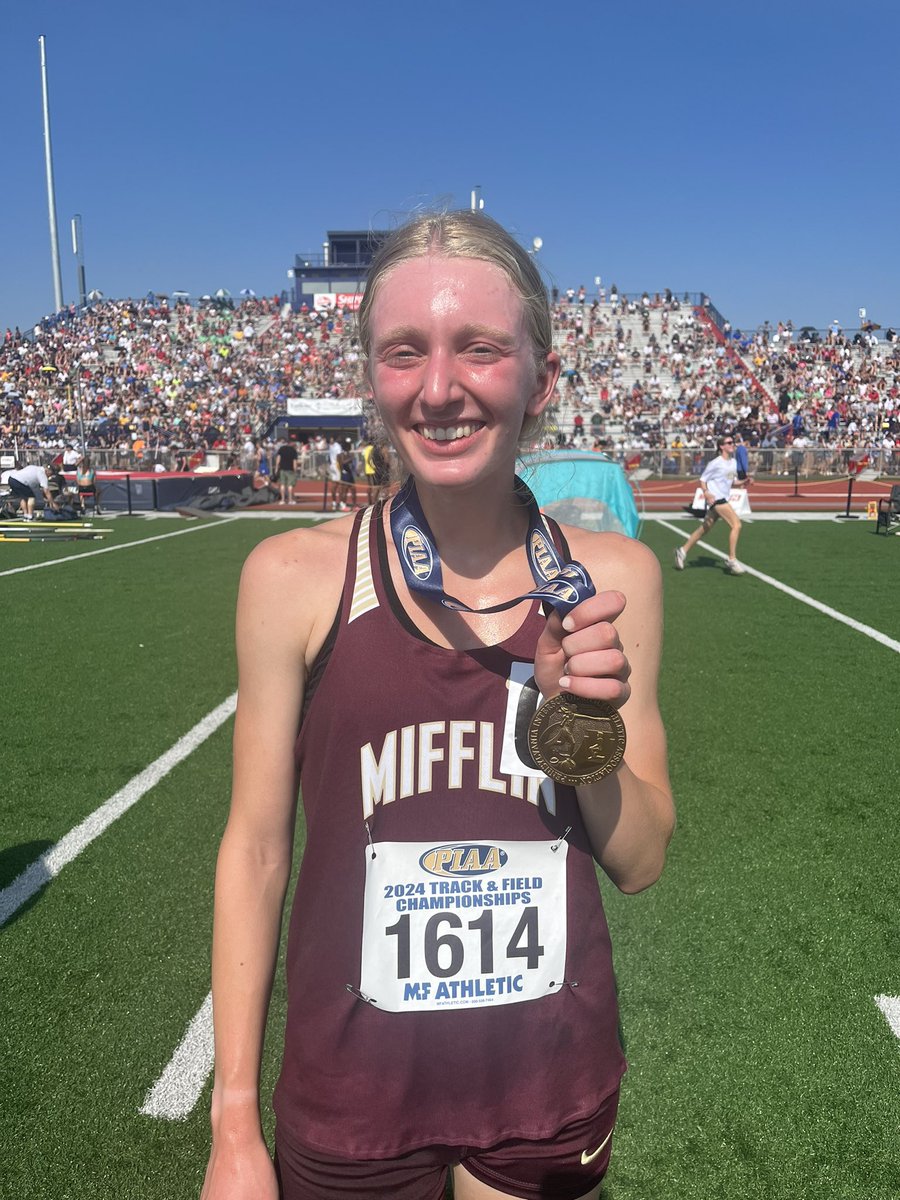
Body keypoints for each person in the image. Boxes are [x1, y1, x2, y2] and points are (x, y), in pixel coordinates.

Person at [201, 211, 674, 1200]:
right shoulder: (290, 579)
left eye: (481, 349)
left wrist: (581, 725)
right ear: (372, 377)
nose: (440, 387)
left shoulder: (611, 579)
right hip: (352, 1094)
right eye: (405, 351)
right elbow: (255, 850)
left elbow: (639, 861)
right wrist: (233, 1126)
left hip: (549, 1080)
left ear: (541, 378)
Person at [673, 434, 749, 574]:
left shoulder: (733, 462)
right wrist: (706, 492)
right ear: (722, 446)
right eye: (729, 442)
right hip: (717, 500)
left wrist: (744, 481)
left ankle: (682, 551)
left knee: (704, 528)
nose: (732, 444)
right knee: (736, 525)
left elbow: (732, 481)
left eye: (733, 442)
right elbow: (703, 480)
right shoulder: (715, 463)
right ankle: (732, 559)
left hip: (722, 499)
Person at [273, 438, 299, 505]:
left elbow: (278, 459)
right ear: (292, 443)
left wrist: (276, 468)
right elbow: (294, 462)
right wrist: (295, 471)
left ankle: (282, 500)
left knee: (282, 484)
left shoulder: (282, 449)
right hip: (290, 469)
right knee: (290, 485)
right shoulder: (293, 451)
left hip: (282, 469)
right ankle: (290, 500)